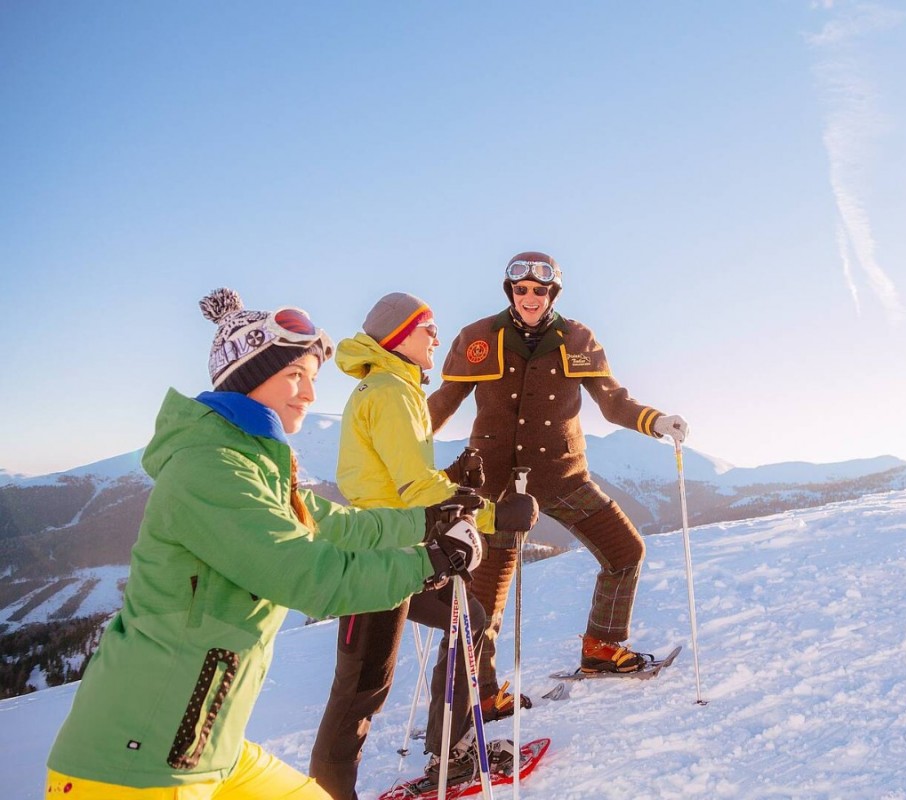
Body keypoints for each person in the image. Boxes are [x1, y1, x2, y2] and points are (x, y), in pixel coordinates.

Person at [45, 289, 482, 800]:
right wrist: (430, 560)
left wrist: (427, 521)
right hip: (131, 767)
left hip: (209, 751)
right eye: (294, 375)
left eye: (312, 378)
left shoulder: (253, 465)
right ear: (249, 379)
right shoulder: (209, 469)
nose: (309, 394)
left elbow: (338, 525)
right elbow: (310, 575)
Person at [428, 251, 689, 707]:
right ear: (510, 291)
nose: (530, 297)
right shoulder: (479, 337)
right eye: (521, 289)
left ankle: (602, 648)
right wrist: (399, 442)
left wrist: (654, 421)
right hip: (496, 488)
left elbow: (612, 401)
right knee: (486, 597)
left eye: (540, 289)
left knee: (625, 550)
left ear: (553, 293)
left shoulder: (577, 338)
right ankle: (482, 695)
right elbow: (444, 401)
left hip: (562, 475)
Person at [309, 293, 539, 799]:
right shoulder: (392, 390)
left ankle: (451, 749)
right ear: (398, 335)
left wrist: (457, 480)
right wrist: (496, 514)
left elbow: (402, 480)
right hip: (376, 558)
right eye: (427, 325)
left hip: (400, 551)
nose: (437, 335)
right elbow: (415, 488)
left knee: (468, 620)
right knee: (360, 690)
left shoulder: (393, 388)